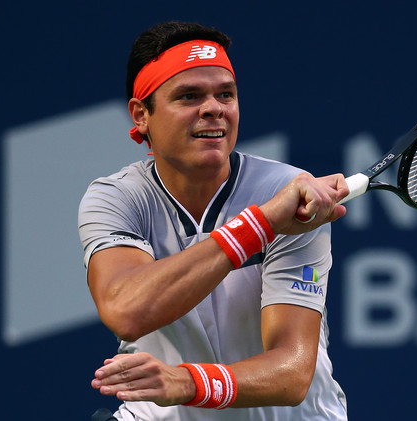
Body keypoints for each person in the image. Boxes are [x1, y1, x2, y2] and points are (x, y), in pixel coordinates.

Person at [79, 21, 349, 420]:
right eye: (189, 96)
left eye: (226, 94)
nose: (214, 108)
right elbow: (127, 311)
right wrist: (262, 224)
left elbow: (291, 374)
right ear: (141, 115)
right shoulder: (116, 197)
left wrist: (188, 382)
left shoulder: (289, 190)